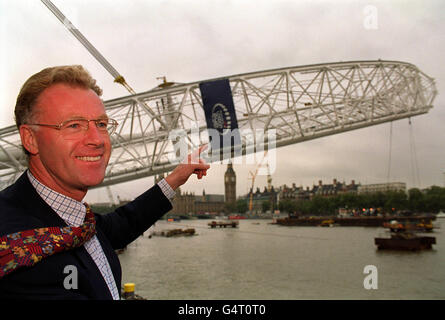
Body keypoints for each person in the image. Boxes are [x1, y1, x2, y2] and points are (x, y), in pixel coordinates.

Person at [0, 65, 209, 299]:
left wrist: (177, 176)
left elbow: (119, 225)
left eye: (101, 124)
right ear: (30, 139)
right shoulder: (18, 251)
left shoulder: (74, 222)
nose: (97, 140)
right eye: (73, 125)